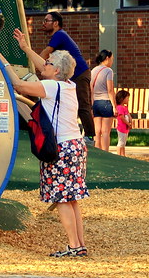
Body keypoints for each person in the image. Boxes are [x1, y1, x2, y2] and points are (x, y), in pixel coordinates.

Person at [5, 29, 88, 258]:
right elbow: (44, 67)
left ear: (57, 70)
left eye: (49, 64)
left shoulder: (52, 88)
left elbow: (19, 87)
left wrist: (3, 63)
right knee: (72, 198)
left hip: (60, 148)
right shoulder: (68, 85)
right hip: (76, 145)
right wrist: (25, 48)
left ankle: (72, 246)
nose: (44, 66)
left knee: (61, 197)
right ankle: (79, 245)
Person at [39, 11, 95, 141]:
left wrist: (32, 64)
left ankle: (90, 136)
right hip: (71, 75)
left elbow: (46, 53)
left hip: (80, 73)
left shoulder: (59, 35)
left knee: (83, 104)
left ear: (56, 23)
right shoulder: (58, 36)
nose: (44, 23)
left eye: (47, 21)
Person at [90, 49, 116, 151]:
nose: (112, 61)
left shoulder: (93, 70)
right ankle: (106, 153)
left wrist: (92, 104)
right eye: (112, 59)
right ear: (107, 58)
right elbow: (110, 90)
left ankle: (98, 151)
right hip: (106, 102)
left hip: (96, 102)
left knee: (97, 131)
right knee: (105, 131)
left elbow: (91, 89)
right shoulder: (108, 71)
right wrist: (114, 106)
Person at [115, 90, 132, 157]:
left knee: (123, 143)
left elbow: (128, 115)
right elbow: (121, 117)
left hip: (125, 128)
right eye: (127, 98)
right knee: (121, 142)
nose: (128, 100)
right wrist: (127, 123)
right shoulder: (119, 108)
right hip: (121, 127)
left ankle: (123, 154)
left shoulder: (125, 108)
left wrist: (130, 122)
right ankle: (119, 155)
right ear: (122, 98)